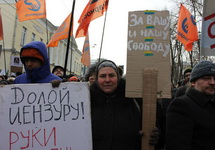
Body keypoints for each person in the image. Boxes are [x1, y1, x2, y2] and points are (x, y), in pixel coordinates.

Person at [90, 60, 159, 150]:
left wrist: (154, 135)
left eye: (111, 75)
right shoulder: (87, 101)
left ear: (118, 77)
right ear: (96, 79)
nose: (107, 80)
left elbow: (152, 125)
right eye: (103, 76)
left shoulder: (134, 100)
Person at [166, 60, 215, 150]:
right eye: (206, 78)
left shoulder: (211, 104)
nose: (212, 82)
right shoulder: (181, 106)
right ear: (193, 82)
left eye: (214, 78)